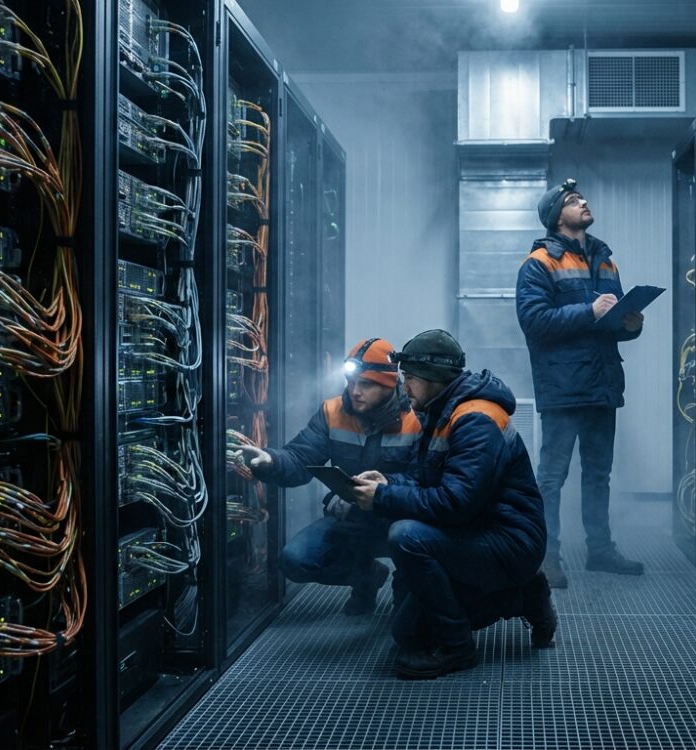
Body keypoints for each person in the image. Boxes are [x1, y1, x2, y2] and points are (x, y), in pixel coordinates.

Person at [352, 329, 557, 679]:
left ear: (433, 379)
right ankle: (521, 596)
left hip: (510, 542)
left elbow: (456, 502)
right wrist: (388, 483)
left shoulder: (475, 419)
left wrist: (385, 498)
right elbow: (430, 480)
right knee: (406, 634)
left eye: (411, 379)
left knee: (406, 535)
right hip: (478, 532)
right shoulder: (441, 410)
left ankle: (458, 647)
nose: (405, 388)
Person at [515, 178, 646, 589]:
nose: (584, 202)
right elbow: (534, 323)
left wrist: (630, 325)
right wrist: (589, 311)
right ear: (556, 216)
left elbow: (612, 320)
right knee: (552, 477)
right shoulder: (539, 262)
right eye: (574, 200)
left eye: (583, 197)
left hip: (602, 384)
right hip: (563, 387)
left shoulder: (605, 259)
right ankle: (546, 557)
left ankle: (600, 550)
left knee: (598, 474)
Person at [237, 338, 421, 615]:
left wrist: (379, 495)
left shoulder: (416, 419)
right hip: (349, 520)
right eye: (351, 381)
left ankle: (405, 592)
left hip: (397, 521)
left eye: (366, 384)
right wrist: (271, 460)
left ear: (389, 385)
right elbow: (300, 458)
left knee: (406, 615)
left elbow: (424, 480)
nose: (355, 391)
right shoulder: (332, 412)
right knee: (294, 561)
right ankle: (368, 576)